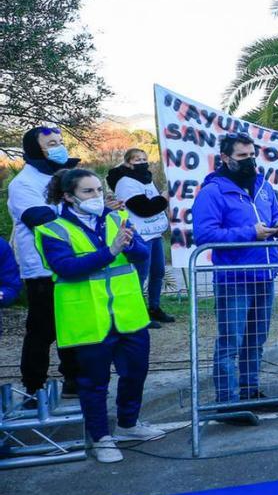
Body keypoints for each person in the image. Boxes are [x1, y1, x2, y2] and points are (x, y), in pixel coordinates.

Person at [35, 169, 164, 463]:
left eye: (98, 190)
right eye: (88, 192)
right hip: (88, 318)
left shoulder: (117, 218)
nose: (96, 197)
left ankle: (128, 425)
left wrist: (131, 246)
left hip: (128, 315)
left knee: (135, 373)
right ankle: (101, 437)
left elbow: (142, 255)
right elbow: (67, 268)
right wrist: (112, 249)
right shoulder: (51, 229)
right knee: (94, 383)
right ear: (68, 196)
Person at [192, 132, 278, 421]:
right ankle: (228, 401)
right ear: (225, 158)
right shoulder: (212, 192)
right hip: (234, 278)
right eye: (242, 157)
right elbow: (204, 235)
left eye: (252, 155)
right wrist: (251, 233)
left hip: (264, 273)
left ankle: (249, 391)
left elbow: (274, 211)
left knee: (256, 338)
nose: (249, 161)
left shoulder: (262, 185)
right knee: (231, 340)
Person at [9, 126, 81, 403]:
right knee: (42, 330)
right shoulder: (23, 183)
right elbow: (40, 217)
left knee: (73, 326)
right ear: (34, 148)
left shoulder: (65, 177)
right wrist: (79, 209)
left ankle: (73, 380)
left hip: (73, 265)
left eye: (61, 141)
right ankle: (34, 387)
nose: (58, 146)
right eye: (51, 143)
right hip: (42, 269)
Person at [108, 149, 175, 325]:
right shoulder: (126, 183)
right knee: (140, 274)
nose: (142, 162)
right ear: (128, 163)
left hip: (153, 233)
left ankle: (154, 307)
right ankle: (137, 312)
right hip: (139, 234)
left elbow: (153, 203)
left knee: (158, 272)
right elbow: (143, 209)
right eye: (137, 159)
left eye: (144, 158)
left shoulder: (146, 179)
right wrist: (164, 198)